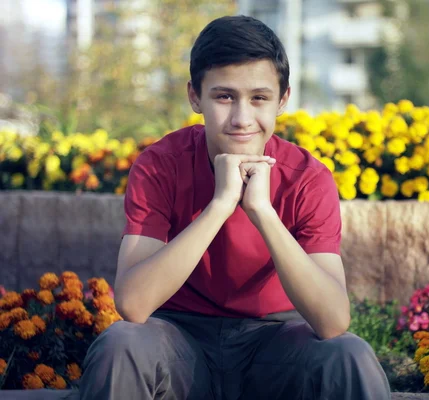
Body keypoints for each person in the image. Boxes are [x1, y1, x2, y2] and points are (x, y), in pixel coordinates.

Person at [79, 15, 391, 400]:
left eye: (259, 98)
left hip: (276, 345)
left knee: (349, 355)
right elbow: (134, 305)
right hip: (179, 341)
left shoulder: (307, 177)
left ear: (283, 100)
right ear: (195, 97)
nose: (242, 119)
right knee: (120, 344)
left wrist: (262, 212)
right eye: (224, 96)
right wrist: (220, 205)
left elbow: (332, 322)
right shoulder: (160, 165)